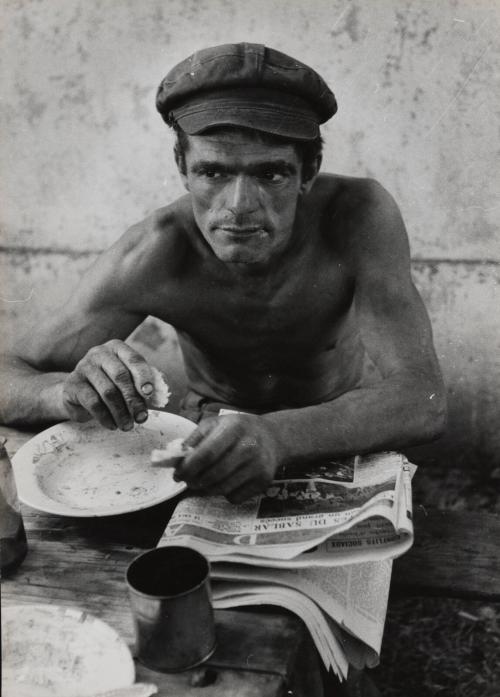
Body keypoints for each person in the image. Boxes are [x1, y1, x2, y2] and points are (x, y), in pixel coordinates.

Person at [0, 43, 446, 506]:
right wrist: (66, 392)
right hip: (209, 433)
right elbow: (7, 375)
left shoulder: (357, 217)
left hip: (340, 424)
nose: (238, 206)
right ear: (183, 169)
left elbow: (422, 398)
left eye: (270, 175)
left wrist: (277, 436)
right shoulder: (157, 250)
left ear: (308, 170)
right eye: (213, 172)